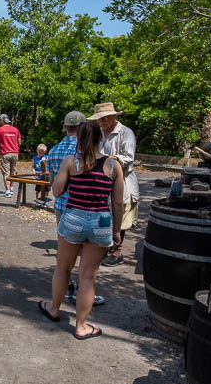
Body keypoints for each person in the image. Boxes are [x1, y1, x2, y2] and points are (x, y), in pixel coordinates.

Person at [38, 121, 124, 340]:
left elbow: (57, 192)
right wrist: (116, 231)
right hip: (101, 222)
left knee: (62, 269)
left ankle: (54, 309)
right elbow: (117, 204)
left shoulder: (71, 162)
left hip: (74, 217)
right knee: (87, 276)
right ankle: (82, 326)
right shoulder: (113, 166)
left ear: (78, 139)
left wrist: (55, 176)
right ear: (100, 138)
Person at [47, 111, 105, 306]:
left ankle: (66, 289)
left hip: (63, 208)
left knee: (64, 260)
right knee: (87, 261)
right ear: (84, 128)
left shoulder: (54, 150)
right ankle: (85, 293)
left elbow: (53, 184)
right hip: (90, 208)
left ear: (64, 127)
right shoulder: (90, 149)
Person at [88, 102, 139, 266]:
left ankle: (118, 250)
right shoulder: (100, 132)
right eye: (100, 119)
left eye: (105, 118)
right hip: (102, 179)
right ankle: (106, 247)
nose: (102, 122)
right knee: (104, 213)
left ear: (113, 116)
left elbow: (129, 157)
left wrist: (112, 160)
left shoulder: (125, 133)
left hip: (122, 178)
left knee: (121, 214)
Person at [0, 114, 21, 197]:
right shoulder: (15, 130)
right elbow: (19, 142)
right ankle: (11, 189)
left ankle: (7, 191)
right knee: (12, 172)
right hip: (15, 153)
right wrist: (16, 149)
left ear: (2, 120)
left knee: (6, 173)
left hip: (5, 153)